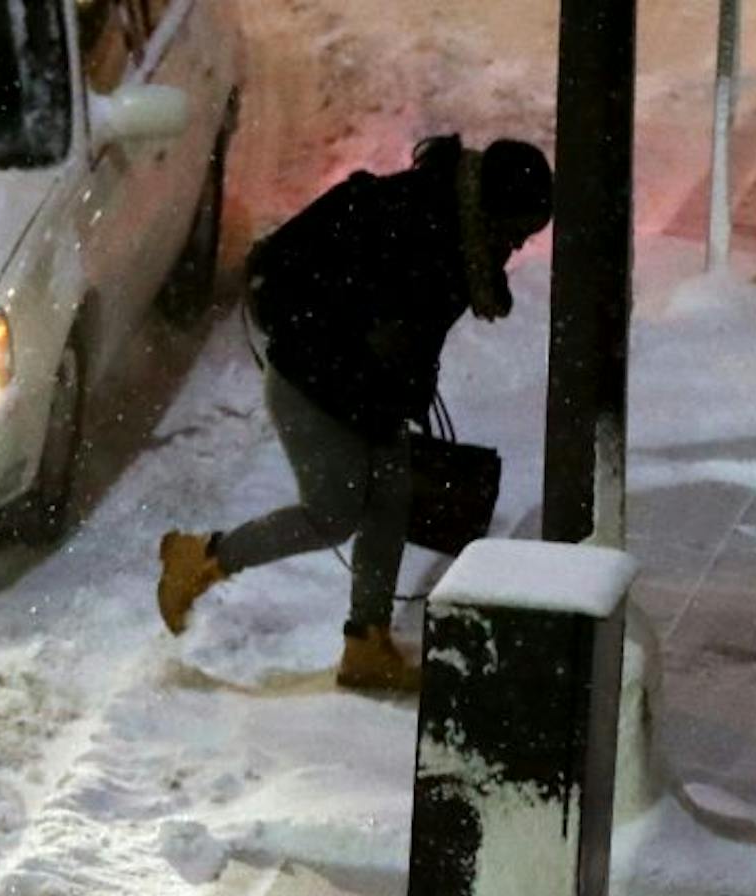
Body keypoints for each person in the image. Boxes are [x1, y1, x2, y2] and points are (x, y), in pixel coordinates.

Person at [155, 134, 555, 693]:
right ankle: (199, 557)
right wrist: (388, 367)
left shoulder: (452, 227)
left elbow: (402, 331)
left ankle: (366, 644)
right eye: (518, 231)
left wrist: (400, 381)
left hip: (361, 387)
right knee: (332, 513)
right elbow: (385, 317)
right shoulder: (425, 228)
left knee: (390, 499)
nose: (515, 246)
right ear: (493, 206)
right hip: (313, 381)